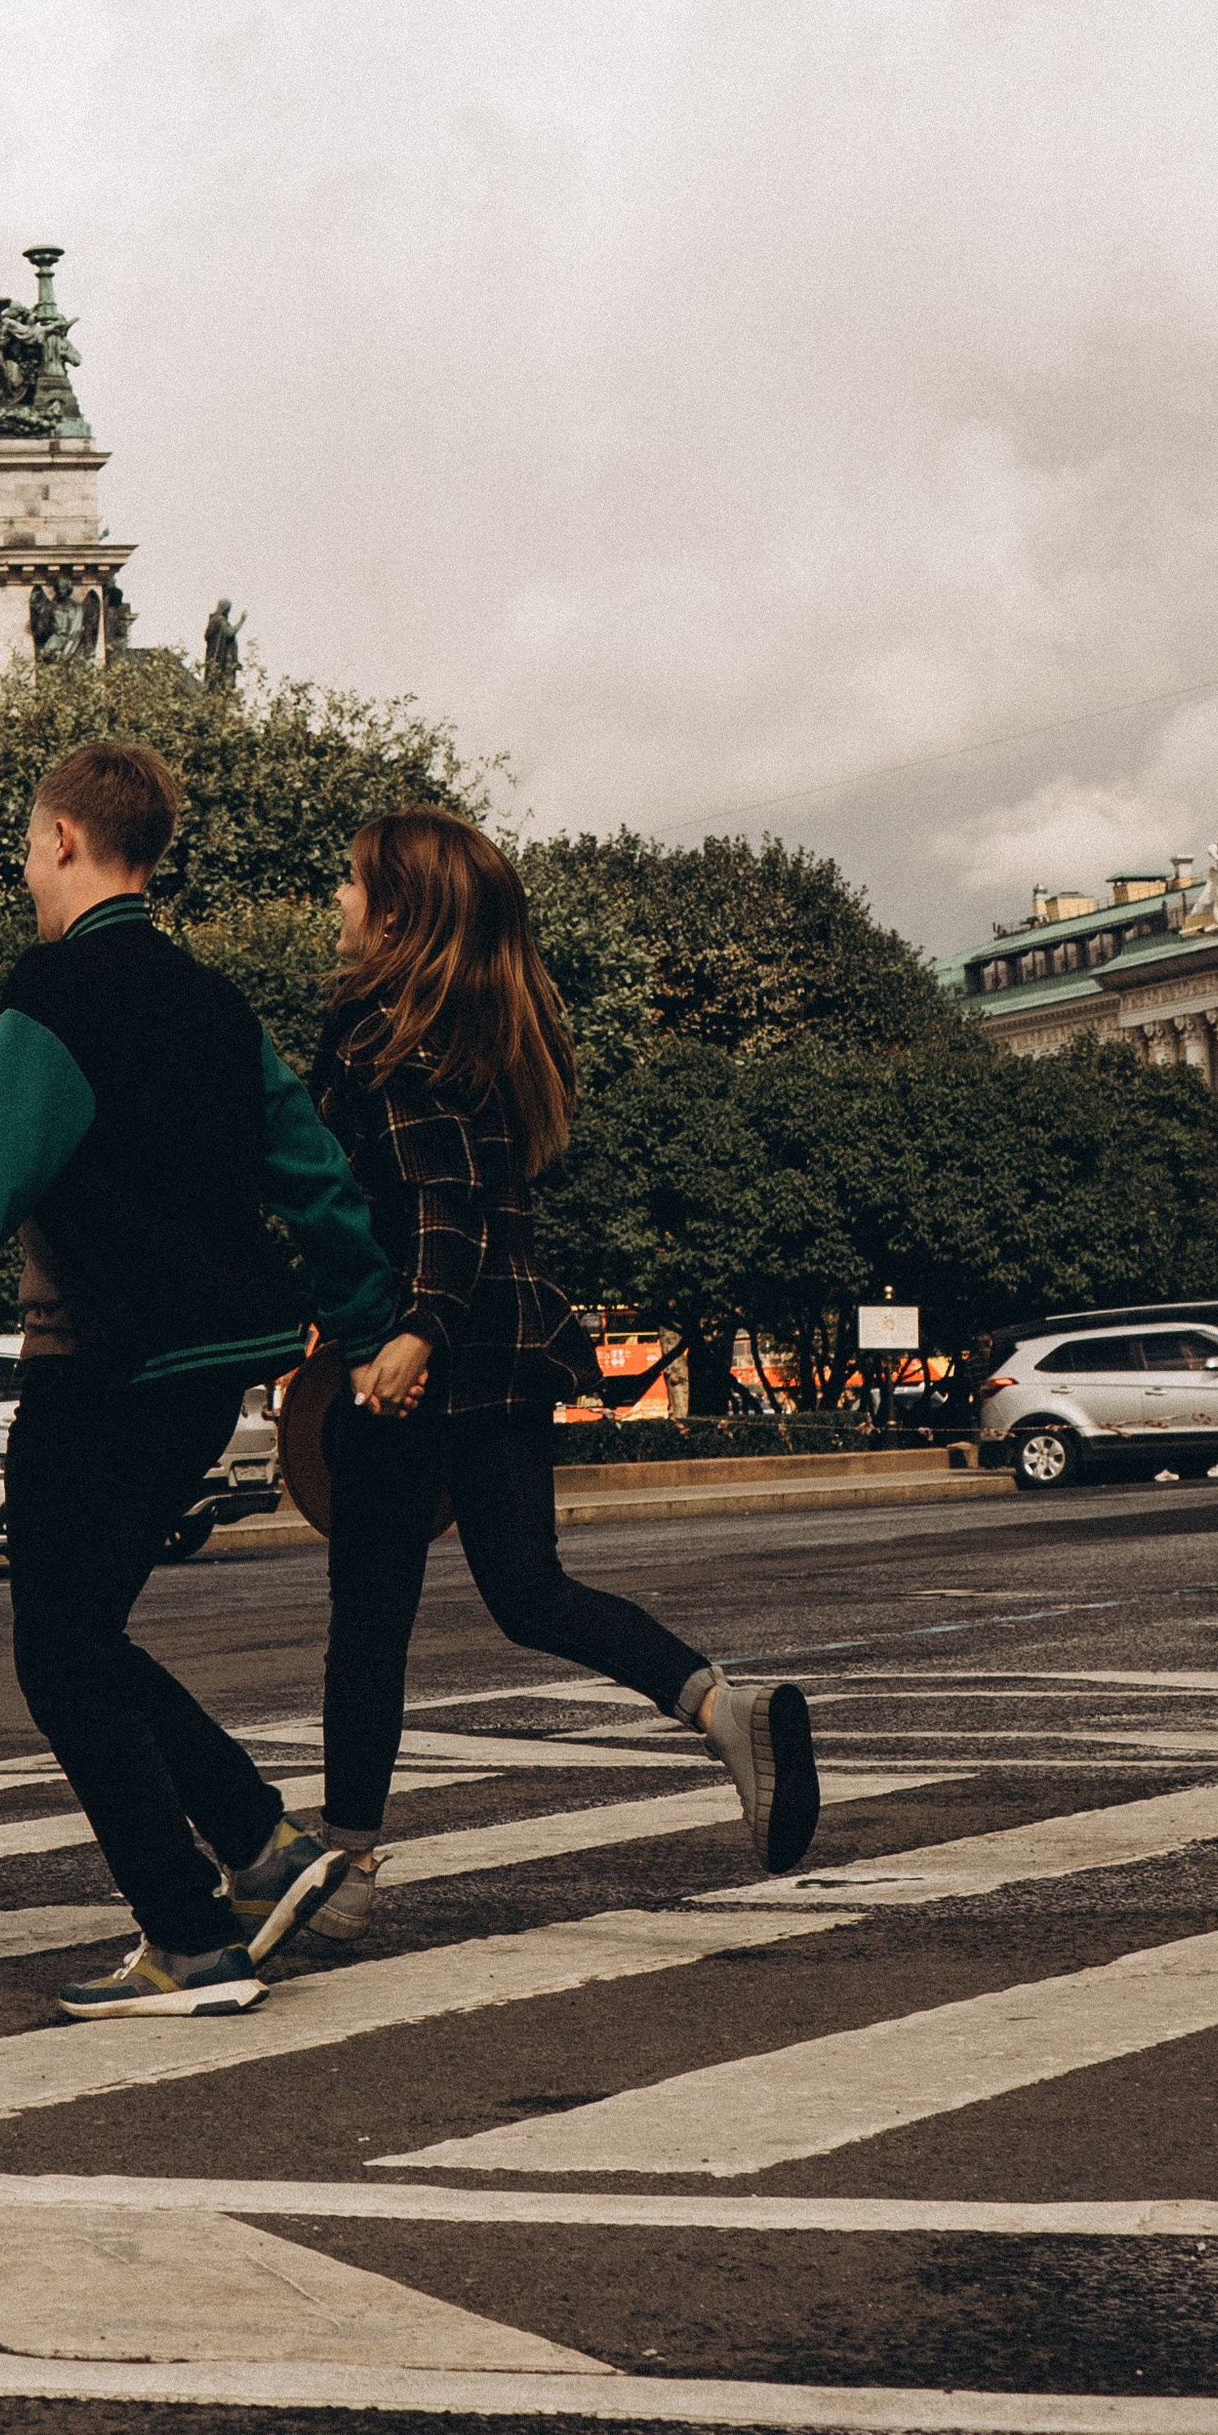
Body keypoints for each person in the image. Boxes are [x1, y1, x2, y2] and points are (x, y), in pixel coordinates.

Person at [0, 738, 402, 2022]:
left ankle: (191, 1938)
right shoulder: (215, 1003)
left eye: (30, 844)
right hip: (213, 1374)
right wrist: (365, 1324)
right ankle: (261, 1849)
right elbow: (315, 1178)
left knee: (59, 1654)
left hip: (106, 1363)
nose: (25, 866)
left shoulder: (56, 997)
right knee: (84, 1634)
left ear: (69, 841)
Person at [307, 809, 821, 1937]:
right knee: (530, 1590)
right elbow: (480, 1210)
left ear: (399, 913)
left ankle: (342, 1868)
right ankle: (719, 1705)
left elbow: (439, 1213)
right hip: (513, 1355)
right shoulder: (477, 1038)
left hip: (421, 1368)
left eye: (350, 886)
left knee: (370, 1622)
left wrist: (411, 1331)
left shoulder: (382, 1038)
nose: (335, 904)